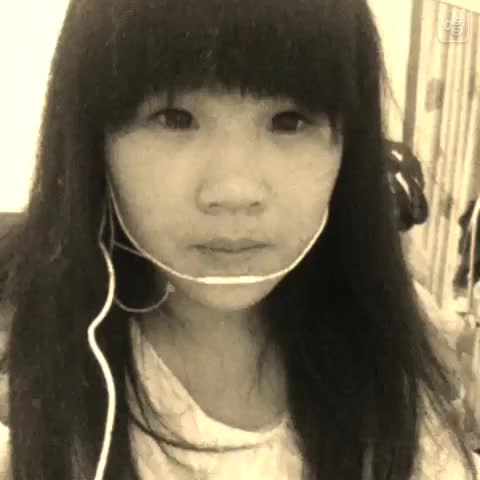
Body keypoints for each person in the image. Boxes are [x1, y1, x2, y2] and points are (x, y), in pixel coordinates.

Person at [0, 0, 479, 479]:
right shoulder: (36, 371)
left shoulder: (393, 341)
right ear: (93, 139)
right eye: (174, 117)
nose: (234, 192)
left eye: (288, 121)